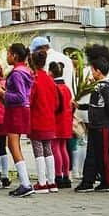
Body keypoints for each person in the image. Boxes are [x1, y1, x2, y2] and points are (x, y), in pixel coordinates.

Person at [75, 58, 109, 193]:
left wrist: (108, 120)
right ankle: (88, 181)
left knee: (103, 154)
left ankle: (107, 181)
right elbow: (96, 105)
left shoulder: (103, 86)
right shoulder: (97, 86)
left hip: (102, 124)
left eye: (92, 70)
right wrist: (80, 106)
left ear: (98, 72)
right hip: (94, 124)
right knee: (92, 153)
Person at [3, 42, 35, 198]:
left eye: (8, 53)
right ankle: (25, 182)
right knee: (13, 144)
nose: (7, 56)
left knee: (13, 144)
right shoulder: (26, 71)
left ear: (14, 55)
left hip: (16, 110)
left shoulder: (16, 73)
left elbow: (20, 96)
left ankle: (25, 183)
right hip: (20, 110)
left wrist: (3, 94)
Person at [28, 48, 58, 194]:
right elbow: (56, 102)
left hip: (37, 118)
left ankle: (41, 182)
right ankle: (52, 181)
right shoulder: (50, 80)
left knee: (38, 150)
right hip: (49, 119)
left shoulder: (35, 80)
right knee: (48, 150)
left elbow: (30, 100)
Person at [50, 61, 73, 189]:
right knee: (63, 147)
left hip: (57, 120)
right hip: (66, 120)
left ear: (51, 72)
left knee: (55, 147)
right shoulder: (66, 88)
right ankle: (66, 175)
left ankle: (58, 175)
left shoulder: (55, 87)